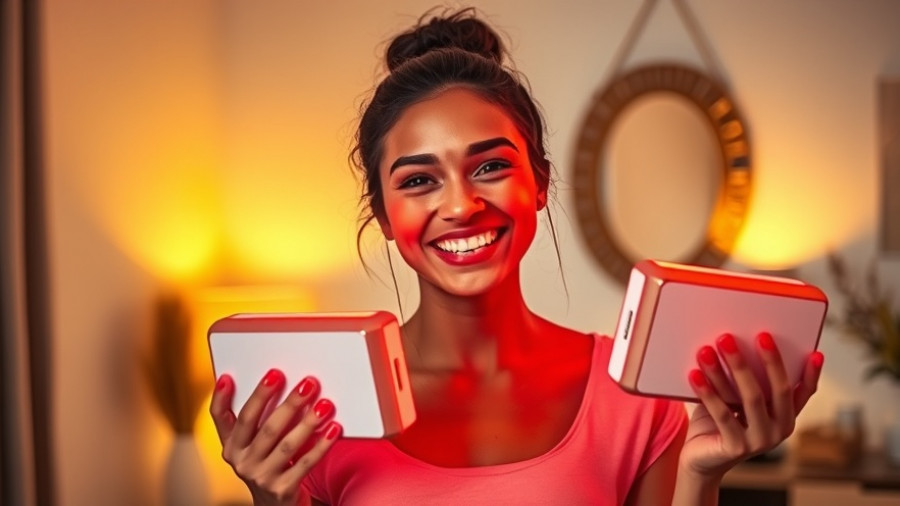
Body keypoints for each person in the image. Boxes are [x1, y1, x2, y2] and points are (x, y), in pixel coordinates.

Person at [209, 8, 823, 505]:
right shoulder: (326, 412)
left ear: (540, 183)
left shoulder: (633, 399)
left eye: (492, 166)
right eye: (419, 180)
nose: (461, 204)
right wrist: (272, 501)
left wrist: (703, 476)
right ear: (384, 215)